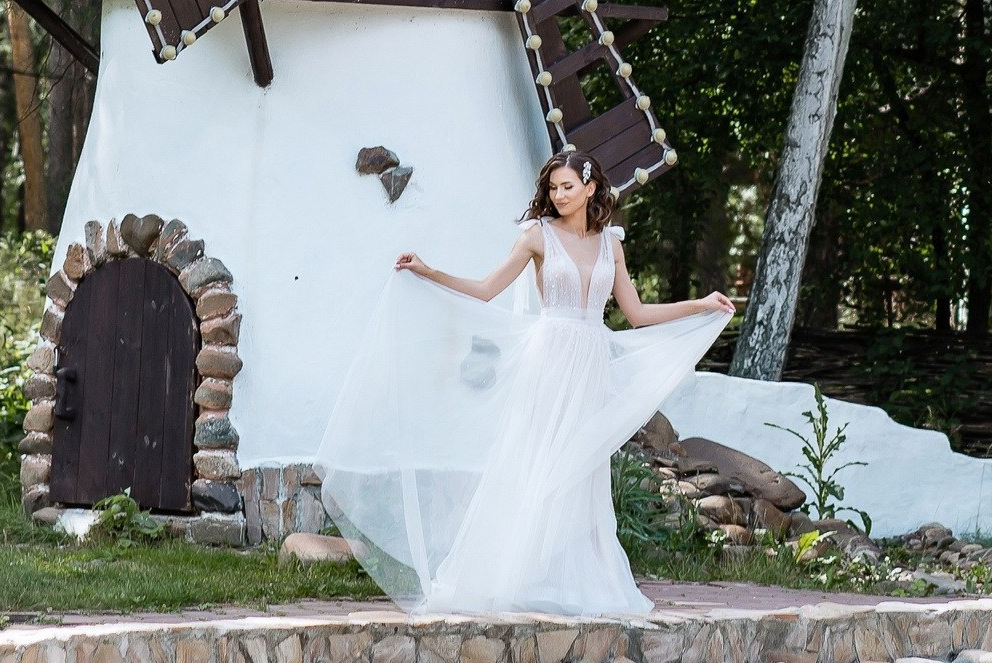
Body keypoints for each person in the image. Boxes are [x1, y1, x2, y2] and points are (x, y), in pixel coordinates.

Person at [314, 151, 735, 615]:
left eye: (567, 187)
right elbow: (486, 289)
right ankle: (510, 576)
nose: (558, 195)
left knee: (582, 472)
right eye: (553, 188)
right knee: (536, 464)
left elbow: (636, 315)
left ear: (591, 188)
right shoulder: (538, 236)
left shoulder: (609, 243)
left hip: (591, 363)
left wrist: (700, 305)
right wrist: (427, 271)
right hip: (550, 359)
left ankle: (578, 584)